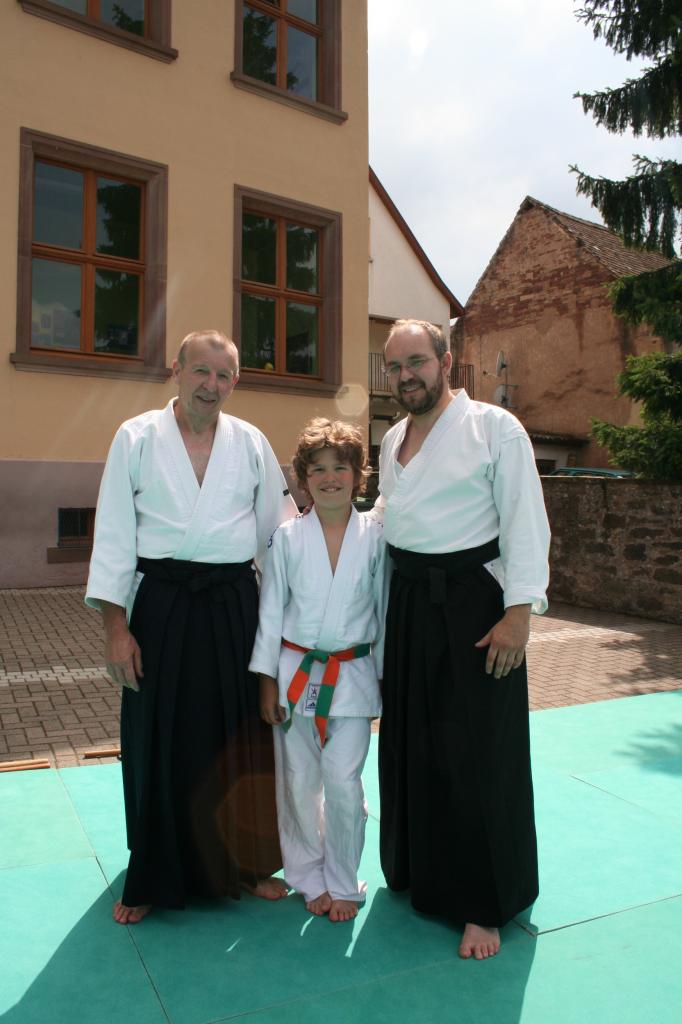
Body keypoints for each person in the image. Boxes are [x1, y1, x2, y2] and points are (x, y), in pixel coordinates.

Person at [86, 329, 297, 924]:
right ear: (176, 371)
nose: (212, 385)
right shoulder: (136, 437)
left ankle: (247, 866)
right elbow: (113, 538)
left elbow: (277, 538)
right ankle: (152, 871)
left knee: (238, 736)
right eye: (201, 371)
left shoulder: (251, 443)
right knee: (158, 735)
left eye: (224, 375)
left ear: (236, 381)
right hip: (163, 606)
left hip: (234, 603)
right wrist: (116, 629)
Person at [374, 319, 550, 960]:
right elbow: (390, 524)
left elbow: (526, 522)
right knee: (414, 742)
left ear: (447, 361)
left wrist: (519, 613)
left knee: (479, 751)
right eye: (395, 367)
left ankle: (484, 902)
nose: (405, 376)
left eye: (417, 361)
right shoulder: (394, 438)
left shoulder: (495, 430)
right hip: (412, 603)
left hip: (476, 606)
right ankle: (419, 872)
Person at [249, 419, 388, 922]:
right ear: (302, 479)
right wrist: (266, 679)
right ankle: (308, 876)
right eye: (319, 469)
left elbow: (384, 610)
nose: (331, 478)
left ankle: (344, 879)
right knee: (299, 780)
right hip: (294, 675)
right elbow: (270, 610)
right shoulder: (286, 538)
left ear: (359, 475)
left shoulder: (376, 537)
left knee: (344, 782)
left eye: (341, 468)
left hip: (352, 675)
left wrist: (385, 678)